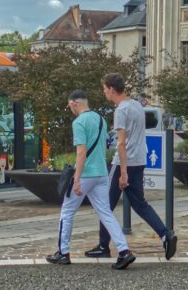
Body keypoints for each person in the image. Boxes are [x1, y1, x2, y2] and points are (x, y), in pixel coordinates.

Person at [85, 74, 177, 261]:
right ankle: (165, 234)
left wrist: (123, 172)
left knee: (105, 204)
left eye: (104, 89)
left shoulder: (121, 110)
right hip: (139, 160)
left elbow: (121, 143)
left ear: (111, 88)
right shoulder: (136, 105)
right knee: (139, 203)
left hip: (123, 163)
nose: (104, 93)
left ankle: (104, 245)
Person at [46, 90, 134, 270]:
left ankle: (63, 253)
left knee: (67, 211)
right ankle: (124, 251)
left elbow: (81, 151)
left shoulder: (79, 122)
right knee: (106, 213)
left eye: (69, 105)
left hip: (85, 174)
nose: (69, 108)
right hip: (101, 173)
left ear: (74, 103)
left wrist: (76, 179)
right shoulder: (100, 119)